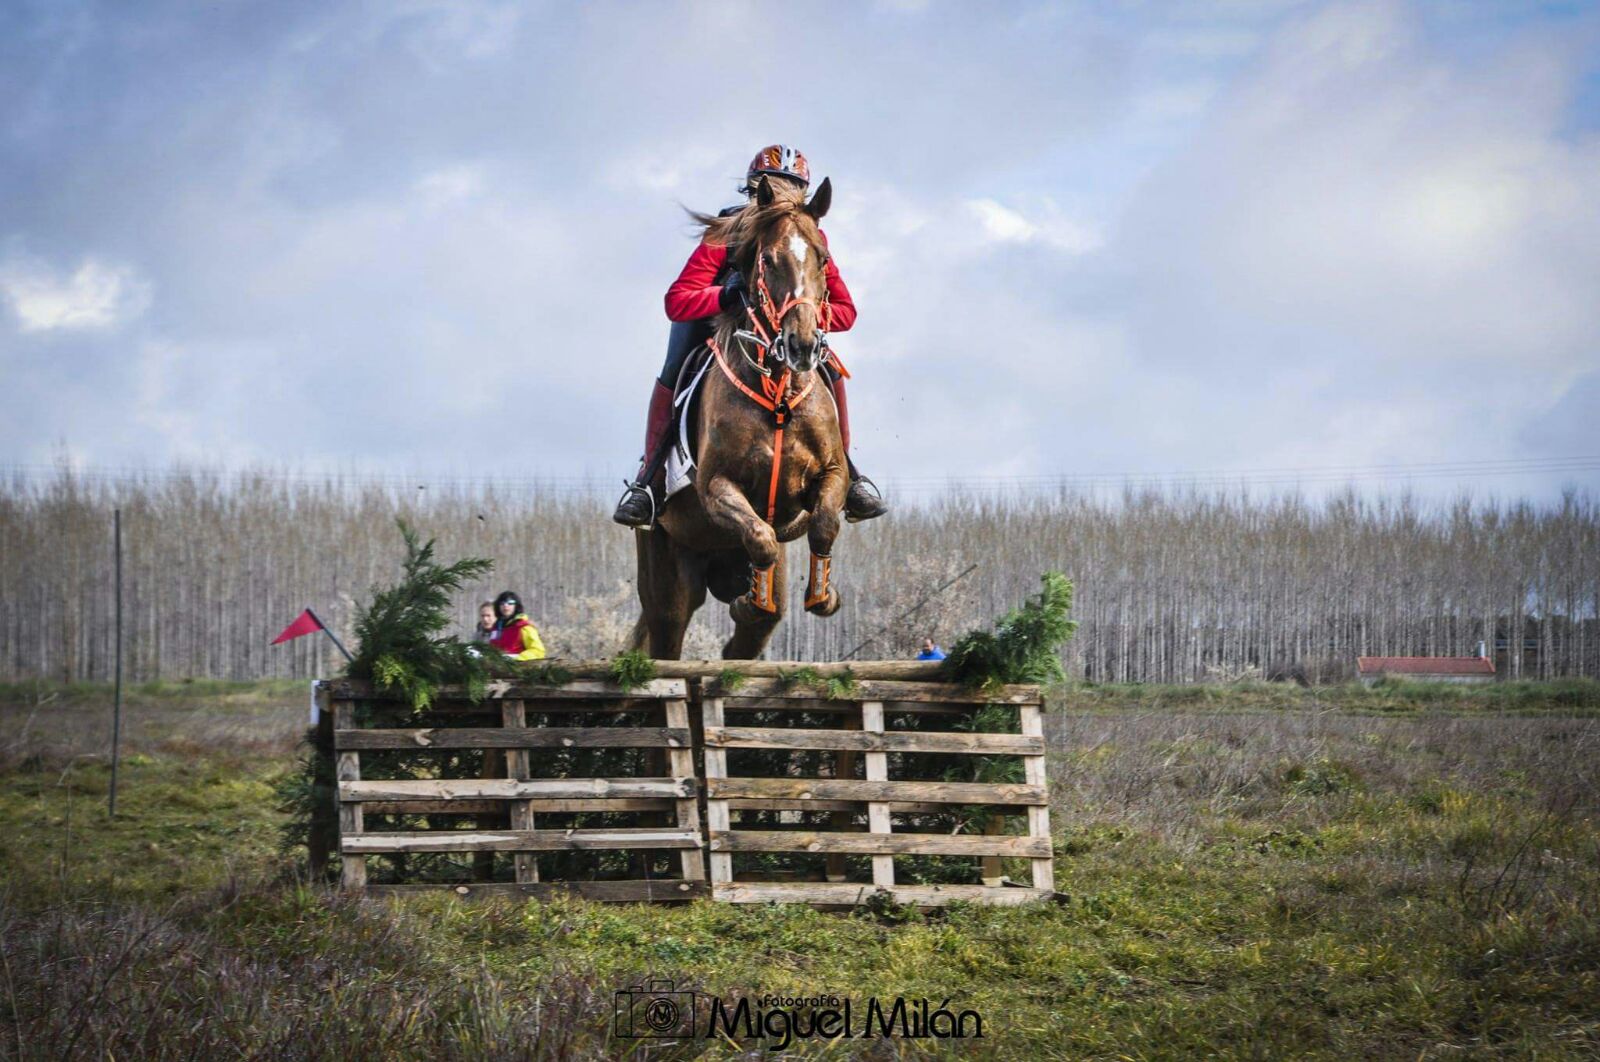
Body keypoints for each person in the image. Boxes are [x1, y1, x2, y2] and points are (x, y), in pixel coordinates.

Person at [612, 144, 888, 528]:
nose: (784, 193)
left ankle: (849, 474)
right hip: (720, 327)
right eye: (774, 184)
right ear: (756, 190)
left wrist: (804, 310)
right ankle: (650, 485)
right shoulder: (722, 235)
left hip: (788, 328)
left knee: (832, 370)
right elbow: (678, 300)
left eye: (792, 186)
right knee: (674, 370)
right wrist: (726, 294)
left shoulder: (810, 240)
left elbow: (846, 312)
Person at [489, 591, 546, 661]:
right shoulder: (496, 627)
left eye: (510, 603)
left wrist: (518, 659)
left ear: (516, 606)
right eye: (502, 603)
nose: (505, 605)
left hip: (517, 668)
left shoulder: (524, 627)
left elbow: (538, 650)